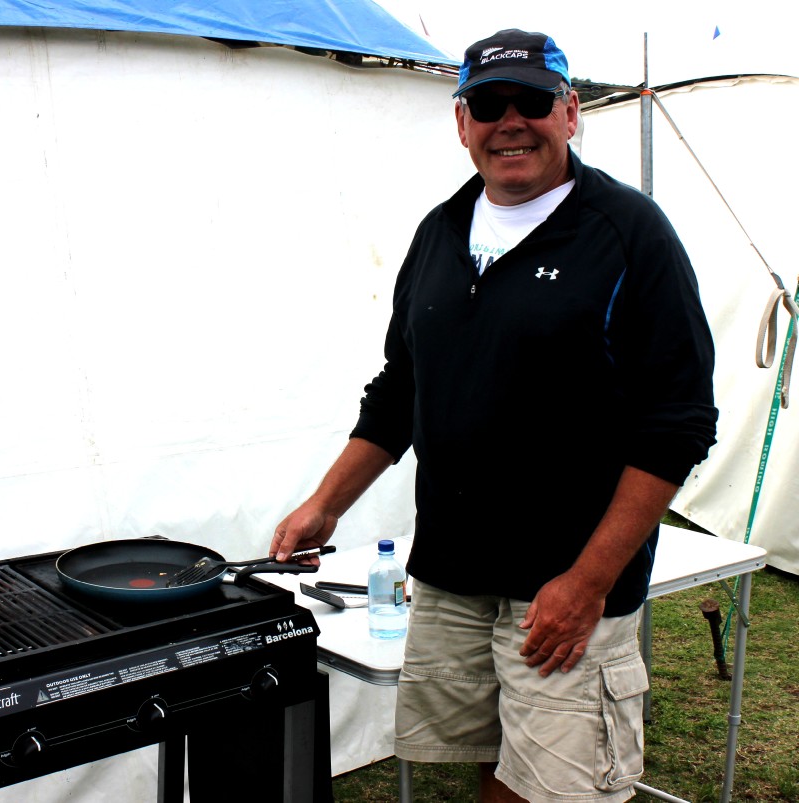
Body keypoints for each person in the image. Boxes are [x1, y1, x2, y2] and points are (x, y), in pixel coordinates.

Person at [269, 28, 718, 803]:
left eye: (533, 101)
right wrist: (323, 504)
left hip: (566, 579)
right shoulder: (440, 232)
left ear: (571, 113)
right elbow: (401, 390)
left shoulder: (630, 235)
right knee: (498, 758)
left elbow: (676, 423)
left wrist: (588, 580)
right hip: (454, 570)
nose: (510, 120)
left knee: (561, 786)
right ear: (461, 122)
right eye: (487, 103)